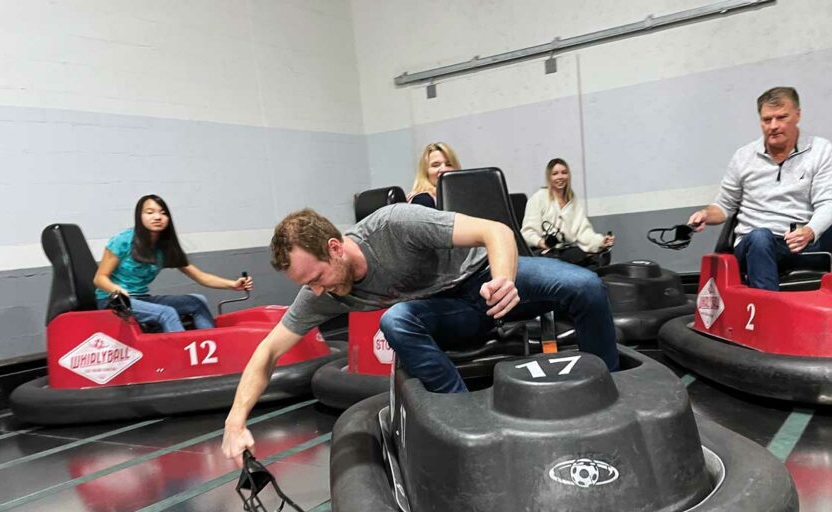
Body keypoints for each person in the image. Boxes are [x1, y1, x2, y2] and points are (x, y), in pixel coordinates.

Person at [221, 203, 619, 462]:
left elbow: (495, 231)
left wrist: (503, 280)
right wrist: (235, 424)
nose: (317, 291)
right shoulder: (320, 292)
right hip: (448, 315)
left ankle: (612, 397)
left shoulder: (394, 225)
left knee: (586, 288)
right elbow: (268, 352)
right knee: (395, 320)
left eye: (318, 277)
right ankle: (469, 423)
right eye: (308, 285)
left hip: (483, 281)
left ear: (335, 248)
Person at [687, 87, 832, 290]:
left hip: (803, 237)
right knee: (760, 236)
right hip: (758, 242)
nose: (773, 126)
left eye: (781, 117)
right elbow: (723, 206)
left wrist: (810, 231)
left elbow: (828, 202)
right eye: (767, 120)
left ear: (797, 115)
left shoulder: (819, 149)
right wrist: (705, 214)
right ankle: (768, 314)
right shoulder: (743, 156)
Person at [93, 195, 253, 332]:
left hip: (140, 299)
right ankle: (184, 361)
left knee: (197, 301)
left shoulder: (165, 247)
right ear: (139, 217)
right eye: (150, 212)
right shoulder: (123, 241)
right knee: (166, 313)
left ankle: (214, 347)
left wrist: (233, 285)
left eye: (163, 213)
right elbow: (99, 278)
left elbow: (201, 277)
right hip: (114, 301)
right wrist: (118, 290)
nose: (157, 217)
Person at [521, 158, 614, 267]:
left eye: (564, 173)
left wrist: (601, 241)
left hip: (564, 249)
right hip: (543, 251)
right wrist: (542, 243)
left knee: (600, 256)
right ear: (549, 177)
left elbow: (583, 231)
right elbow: (527, 234)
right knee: (577, 256)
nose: (560, 177)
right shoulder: (539, 198)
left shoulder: (572, 200)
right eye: (555, 174)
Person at [407, 142, 461, 208]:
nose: (444, 169)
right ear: (425, 172)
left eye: (449, 164)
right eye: (436, 165)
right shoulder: (422, 200)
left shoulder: (464, 196)